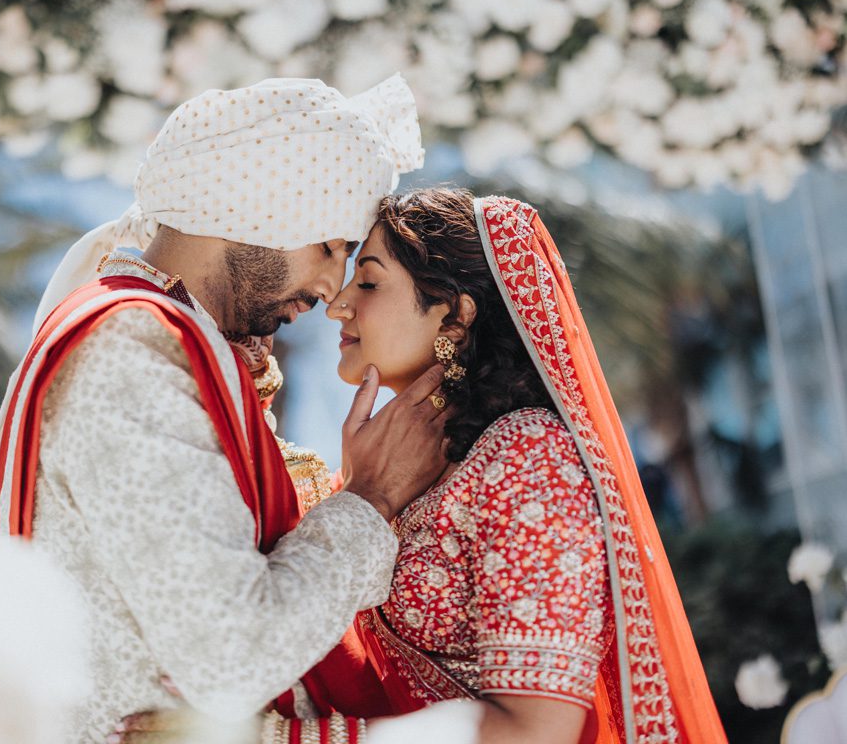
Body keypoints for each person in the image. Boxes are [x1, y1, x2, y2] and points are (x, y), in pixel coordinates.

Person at [119, 188, 727, 744]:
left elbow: (536, 732)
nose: (337, 306)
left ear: (455, 317)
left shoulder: (529, 457)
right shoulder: (396, 473)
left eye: (370, 282)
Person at [0, 75, 454, 743]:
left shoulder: (164, 340)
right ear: (256, 209)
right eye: (328, 248)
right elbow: (232, 658)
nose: (328, 289)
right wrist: (371, 501)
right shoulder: (133, 352)